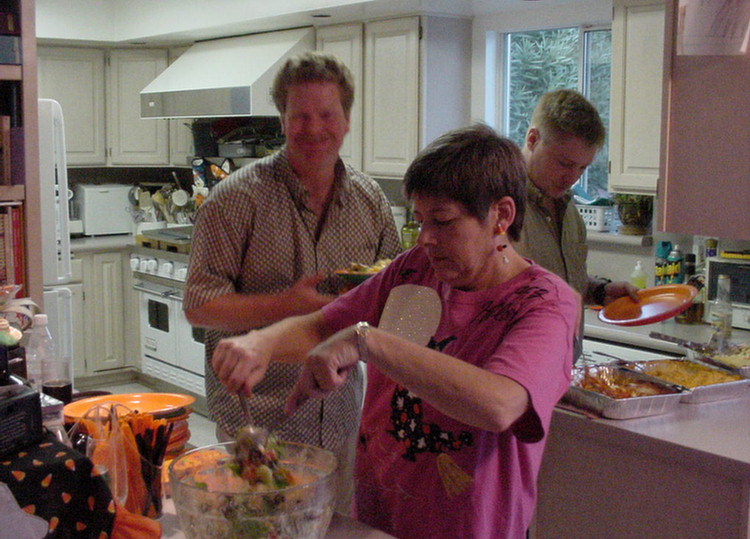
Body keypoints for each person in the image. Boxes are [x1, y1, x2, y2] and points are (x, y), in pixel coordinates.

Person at [212, 123, 579, 539]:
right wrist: (260, 343)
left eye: (442, 221)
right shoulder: (414, 270)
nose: (425, 238)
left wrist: (367, 340)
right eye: (419, 219)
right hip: (377, 518)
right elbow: (323, 327)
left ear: (501, 216)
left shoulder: (545, 303)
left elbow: (500, 404)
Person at [183, 51, 401, 506]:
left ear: (347, 121)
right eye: (299, 115)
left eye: (327, 114)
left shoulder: (372, 202)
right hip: (256, 420)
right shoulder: (233, 200)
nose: (314, 129)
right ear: (282, 121)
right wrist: (288, 303)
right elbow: (200, 305)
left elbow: (394, 297)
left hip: (341, 417)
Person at [516, 89, 638, 359]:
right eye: (564, 163)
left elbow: (563, 279)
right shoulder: (500, 206)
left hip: (562, 369)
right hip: (515, 373)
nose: (572, 177)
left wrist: (598, 291)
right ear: (533, 139)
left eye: (582, 168)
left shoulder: (569, 209)